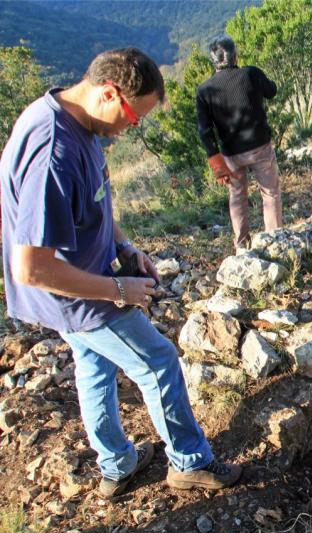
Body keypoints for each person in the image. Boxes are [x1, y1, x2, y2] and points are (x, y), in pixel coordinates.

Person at [0, 48, 242, 497]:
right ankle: (189, 461)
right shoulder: (54, 150)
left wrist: (123, 246)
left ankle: (116, 463)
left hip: (85, 282)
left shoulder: (83, 122)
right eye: (133, 116)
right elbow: (30, 266)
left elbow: (95, 201)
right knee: (159, 361)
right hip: (73, 293)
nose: (133, 127)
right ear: (109, 92)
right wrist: (118, 289)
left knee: (94, 365)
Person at [196, 35, 281, 252]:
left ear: (213, 61)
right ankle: (274, 241)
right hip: (260, 145)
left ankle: (242, 245)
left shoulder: (205, 91)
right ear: (235, 56)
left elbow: (205, 131)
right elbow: (272, 91)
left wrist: (216, 163)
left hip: (230, 154)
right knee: (270, 193)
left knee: (237, 197)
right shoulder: (251, 73)